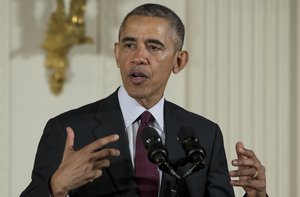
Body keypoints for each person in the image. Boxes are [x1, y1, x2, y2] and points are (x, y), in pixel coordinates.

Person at [21, 3, 267, 197]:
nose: (138, 57)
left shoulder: (206, 134)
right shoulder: (68, 130)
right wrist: (56, 188)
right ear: (117, 54)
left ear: (179, 61)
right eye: (129, 45)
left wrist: (256, 195)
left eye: (154, 47)